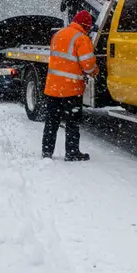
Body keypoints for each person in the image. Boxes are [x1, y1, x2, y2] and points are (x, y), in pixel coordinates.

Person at [42, 9, 98, 161]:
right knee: (72, 122)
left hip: (53, 88)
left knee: (51, 122)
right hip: (71, 90)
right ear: (86, 25)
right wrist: (95, 70)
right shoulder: (81, 38)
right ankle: (72, 153)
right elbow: (88, 65)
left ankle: (47, 152)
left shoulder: (58, 34)